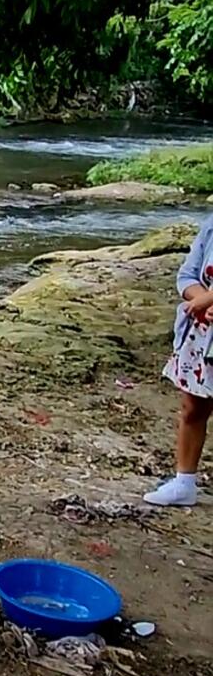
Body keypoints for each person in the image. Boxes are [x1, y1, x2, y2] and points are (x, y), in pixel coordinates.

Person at [144, 215, 213, 507]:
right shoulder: (212, 226)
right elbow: (187, 275)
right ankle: (184, 482)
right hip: (204, 334)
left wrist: (207, 301)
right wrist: (202, 301)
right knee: (192, 407)